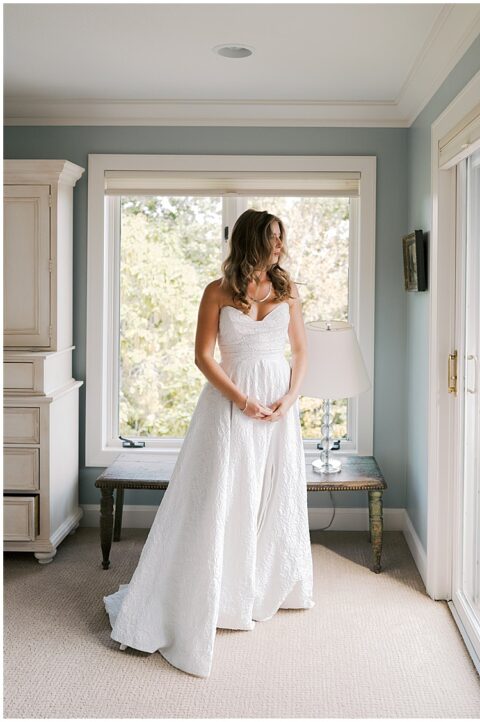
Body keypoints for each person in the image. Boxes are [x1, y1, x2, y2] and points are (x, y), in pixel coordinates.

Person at [103, 209, 315, 677]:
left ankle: (258, 586)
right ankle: (212, 590)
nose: (279, 246)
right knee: (221, 494)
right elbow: (202, 356)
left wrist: (290, 397)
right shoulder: (217, 292)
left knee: (270, 492)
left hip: (279, 408)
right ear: (250, 241)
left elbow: (300, 351)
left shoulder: (287, 290)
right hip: (229, 404)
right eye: (271, 238)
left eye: (281, 238)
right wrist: (241, 399)